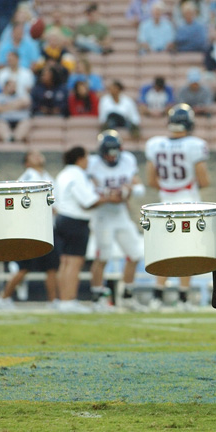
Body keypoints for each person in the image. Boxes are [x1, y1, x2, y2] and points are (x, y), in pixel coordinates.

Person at [144, 104, 210, 310]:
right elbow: (204, 180)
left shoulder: (155, 144)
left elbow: (151, 180)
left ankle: (157, 296)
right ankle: (183, 298)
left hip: (163, 202)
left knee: (164, 249)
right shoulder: (194, 144)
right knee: (187, 250)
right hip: (188, 201)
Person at [53, 145, 122, 314]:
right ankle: (69, 300)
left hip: (62, 218)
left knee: (65, 262)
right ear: (79, 159)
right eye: (86, 158)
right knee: (74, 263)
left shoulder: (63, 174)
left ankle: (63, 299)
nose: (88, 162)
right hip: (75, 221)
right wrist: (108, 198)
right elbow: (88, 201)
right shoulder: (77, 175)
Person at [0, 150, 60, 310]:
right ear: (27, 162)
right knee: (25, 267)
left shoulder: (47, 176)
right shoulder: (28, 178)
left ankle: (52, 301)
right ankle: (3, 298)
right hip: (33, 229)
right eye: (33, 155)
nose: (38, 156)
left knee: (51, 267)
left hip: (48, 227)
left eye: (39, 154)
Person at [87, 130, 146, 312]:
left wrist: (128, 191)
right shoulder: (93, 164)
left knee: (135, 254)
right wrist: (108, 195)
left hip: (120, 214)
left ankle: (127, 296)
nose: (112, 158)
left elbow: (139, 187)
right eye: (108, 154)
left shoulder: (127, 159)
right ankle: (97, 298)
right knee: (103, 256)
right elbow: (90, 190)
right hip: (102, 216)